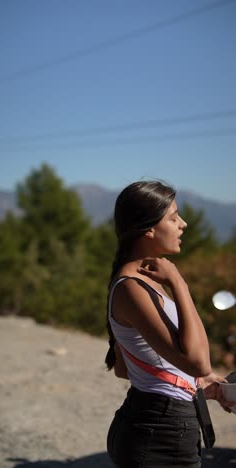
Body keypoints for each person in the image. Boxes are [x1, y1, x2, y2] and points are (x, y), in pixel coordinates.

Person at [105, 180, 234, 468]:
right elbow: (198, 362)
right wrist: (179, 283)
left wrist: (195, 383)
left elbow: (125, 367)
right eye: (174, 217)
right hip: (161, 432)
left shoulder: (140, 283)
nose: (183, 224)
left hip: (153, 423)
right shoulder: (133, 288)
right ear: (148, 229)